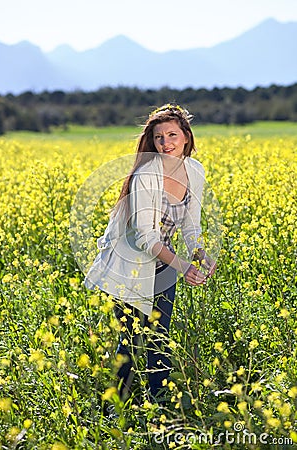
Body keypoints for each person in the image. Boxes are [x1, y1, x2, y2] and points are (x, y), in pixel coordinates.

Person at [84, 104, 216, 403]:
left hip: (163, 262)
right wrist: (184, 267)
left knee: (159, 337)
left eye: (172, 135)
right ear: (152, 141)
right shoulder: (146, 175)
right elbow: (146, 238)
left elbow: (190, 224)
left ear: (186, 137)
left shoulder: (195, 171)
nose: (166, 143)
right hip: (128, 265)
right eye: (158, 137)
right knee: (131, 340)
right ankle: (113, 408)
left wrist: (199, 253)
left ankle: (160, 405)